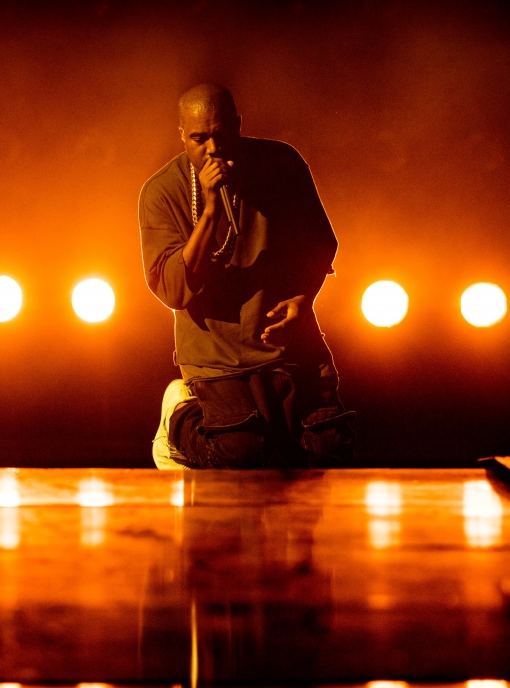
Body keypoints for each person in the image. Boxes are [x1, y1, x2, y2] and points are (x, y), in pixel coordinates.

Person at [140, 83, 355, 470]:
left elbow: (321, 243)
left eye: (220, 135)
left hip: (289, 344)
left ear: (237, 126)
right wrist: (209, 211)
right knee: (241, 452)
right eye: (198, 139)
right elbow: (172, 290)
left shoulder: (282, 164)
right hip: (217, 356)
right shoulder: (161, 192)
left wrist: (303, 298)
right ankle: (178, 417)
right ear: (182, 135)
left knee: (327, 449)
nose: (212, 150)